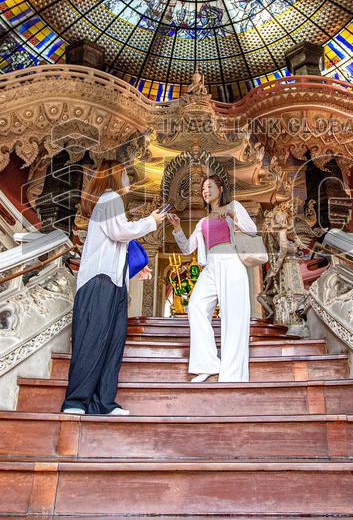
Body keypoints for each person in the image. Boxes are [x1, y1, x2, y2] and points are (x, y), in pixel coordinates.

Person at [62, 159, 167, 415]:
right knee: (93, 340)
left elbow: (117, 242)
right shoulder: (110, 198)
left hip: (114, 282)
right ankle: (76, 401)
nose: (129, 181)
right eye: (126, 175)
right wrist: (151, 221)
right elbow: (119, 231)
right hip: (99, 281)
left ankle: (104, 402)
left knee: (113, 342)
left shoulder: (110, 202)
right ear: (114, 176)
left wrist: (136, 265)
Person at [167, 175, 257, 383]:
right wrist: (178, 228)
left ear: (221, 188)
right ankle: (208, 364)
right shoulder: (203, 221)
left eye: (209, 186)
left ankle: (233, 374)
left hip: (231, 261)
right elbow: (188, 248)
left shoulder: (233, 206)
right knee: (196, 306)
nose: (205, 191)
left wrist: (233, 216)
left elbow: (252, 230)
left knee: (233, 318)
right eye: (203, 188)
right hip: (211, 266)